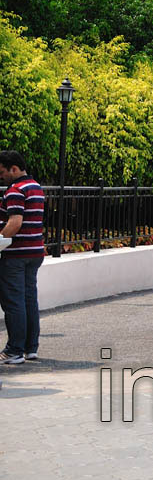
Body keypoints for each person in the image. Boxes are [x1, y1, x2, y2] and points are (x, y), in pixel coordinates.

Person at [0, 151, 44, 365]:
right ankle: (30, 347)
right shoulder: (35, 187)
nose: (2, 177)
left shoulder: (16, 190)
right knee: (28, 299)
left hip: (16, 253)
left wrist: (0, 239)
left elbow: (15, 223)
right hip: (35, 251)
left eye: (3, 172)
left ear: (14, 169)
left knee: (13, 301)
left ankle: (14, 350)